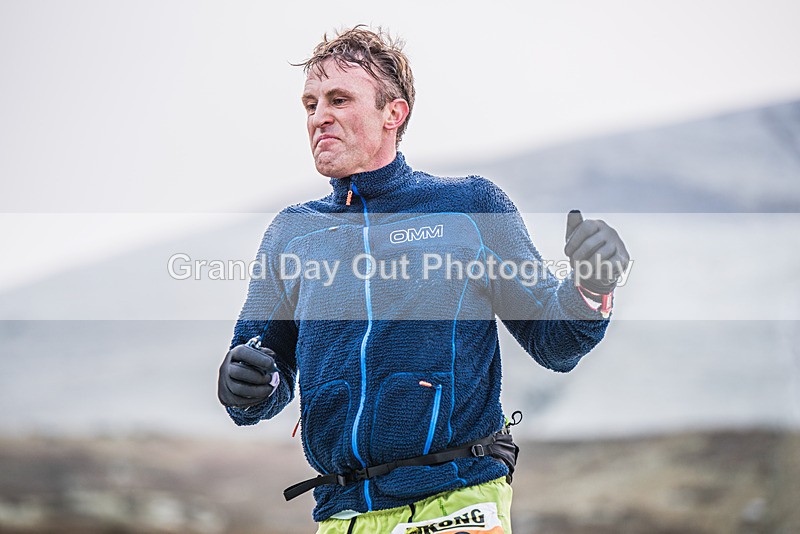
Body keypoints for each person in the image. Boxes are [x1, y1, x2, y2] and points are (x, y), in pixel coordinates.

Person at [217, 26, 629, 533]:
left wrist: (591, 285)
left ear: (394, 113)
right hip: (344, 514)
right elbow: (260, 370)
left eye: (339, 98)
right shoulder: (293, 233)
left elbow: (554, 340)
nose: (319, 116)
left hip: (456, 501)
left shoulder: (468, 208)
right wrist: (247, 384)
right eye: (309, 104)